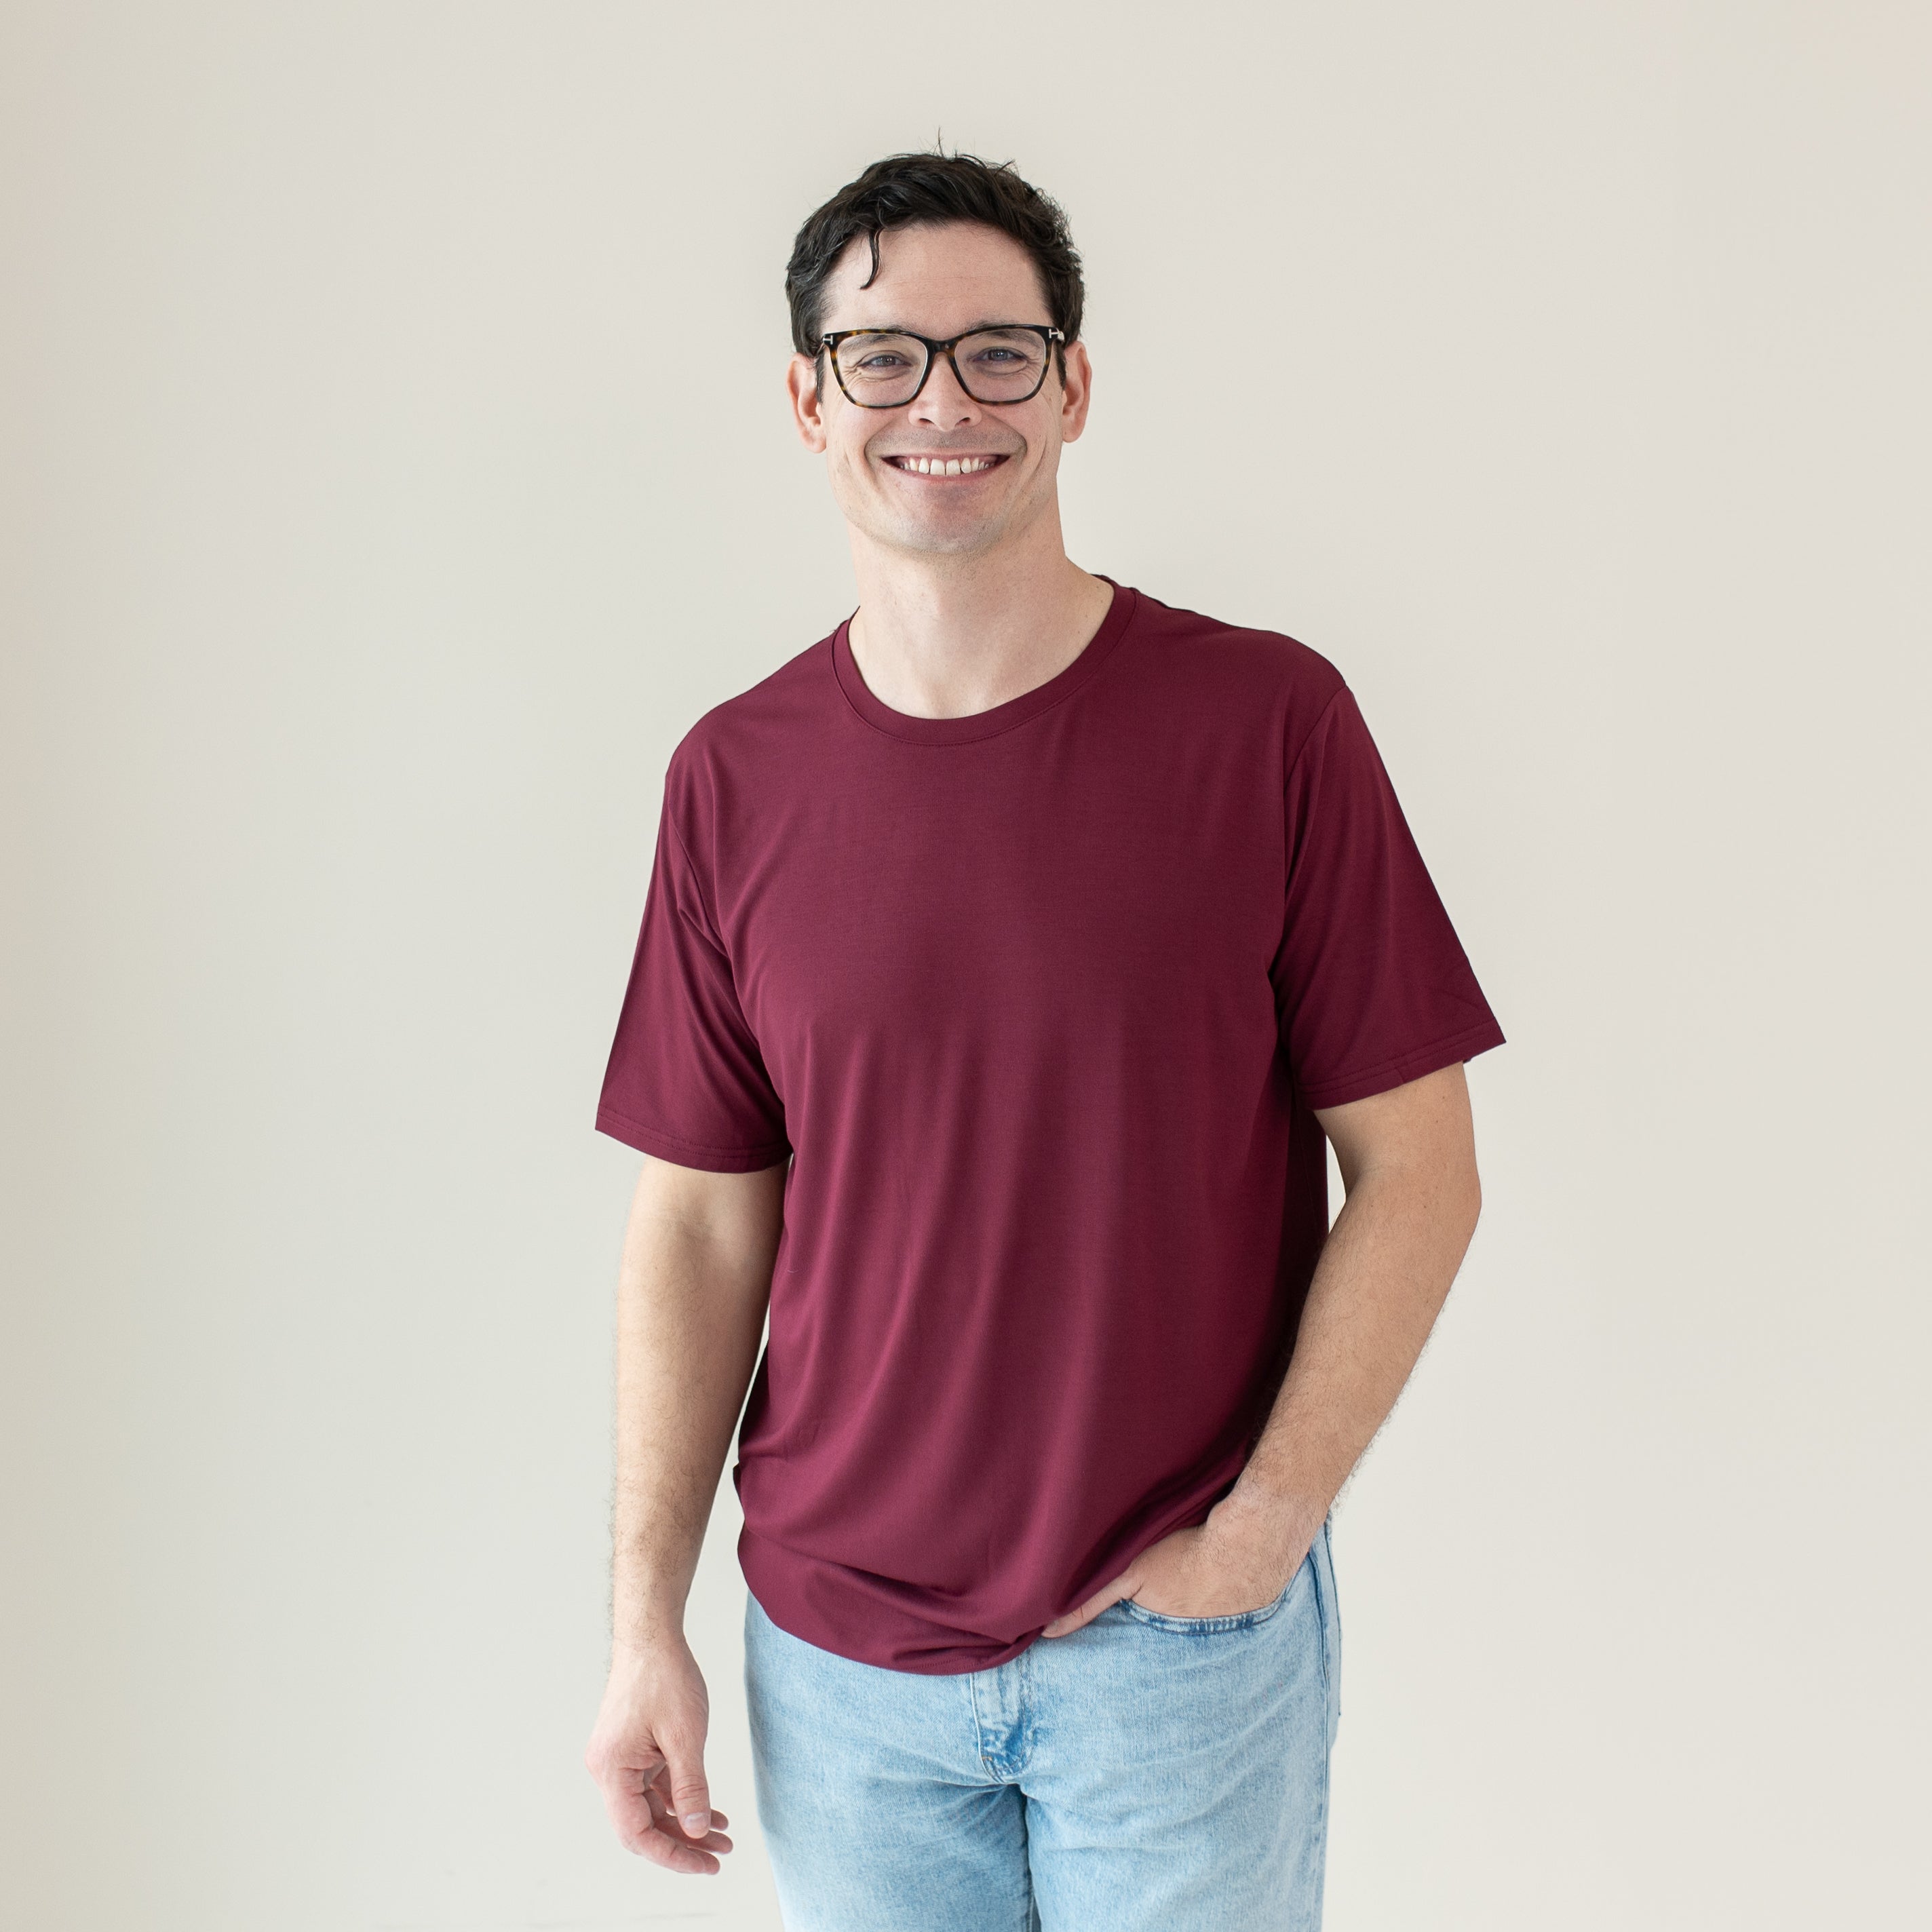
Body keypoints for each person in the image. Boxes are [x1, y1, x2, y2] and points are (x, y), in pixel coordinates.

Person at [583, 149, 1504, 1931]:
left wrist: (1261, 1536)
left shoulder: (1267, 727)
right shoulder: (735, 781)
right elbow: (699, 1219)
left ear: (1074, 386)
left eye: (1000, 351)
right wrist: (645, 1625)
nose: (944, 401)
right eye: (885, 356)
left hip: (1179, 1664)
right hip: (840, 1669)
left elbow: (1419, 1168)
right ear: (808, 397)